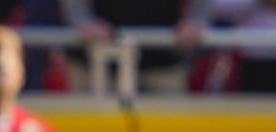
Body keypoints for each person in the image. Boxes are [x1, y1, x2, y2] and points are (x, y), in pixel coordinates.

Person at [59, 0, 210, 94]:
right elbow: (77, 12)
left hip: (163, 58)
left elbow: (199, 13)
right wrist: (83, 21)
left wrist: (195, 21)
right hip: (94, 60)